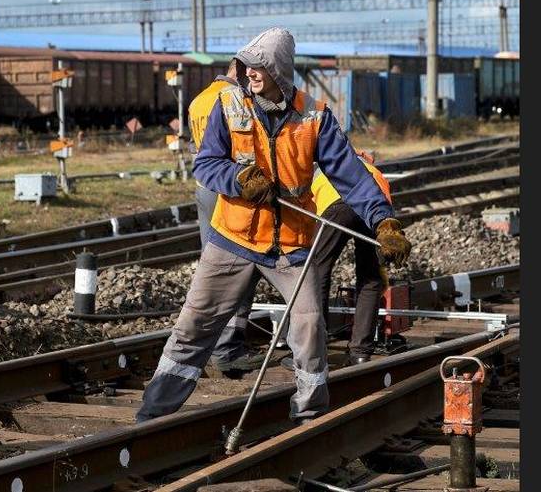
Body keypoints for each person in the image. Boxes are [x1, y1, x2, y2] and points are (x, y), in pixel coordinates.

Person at [135, 27, 411, 425]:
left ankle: (309, 418)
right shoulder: (228, 105)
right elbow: (207, 163)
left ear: (278, 71)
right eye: (246, 67)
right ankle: (152, 417)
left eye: (257, 68)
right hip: (232, 239)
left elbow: (350, 174)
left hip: (291, 247)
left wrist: (383, 220)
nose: (249, 74)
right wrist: (239, 180)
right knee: (193, 326)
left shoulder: (314, 116)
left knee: (309, 326)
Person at [187, 58, 266, 376]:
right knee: (241, 268)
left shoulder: (198, 100)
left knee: (212, 267)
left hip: (204, 187)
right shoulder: (235, 100)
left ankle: (205, 344)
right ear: (243, 72)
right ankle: (228, 349)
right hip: (232, 189)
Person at [307, 149, 393, 366]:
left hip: (337, 202)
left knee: (317, 272)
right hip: (377, 207)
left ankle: (316, 347)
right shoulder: (376, 173)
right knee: (371, 278)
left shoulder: (323, 171)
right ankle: (361, 352)